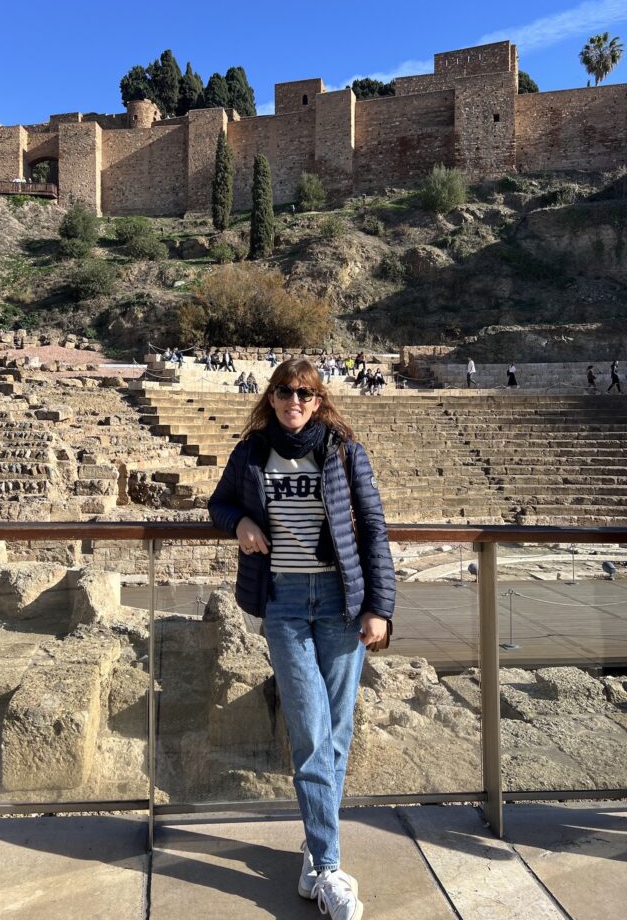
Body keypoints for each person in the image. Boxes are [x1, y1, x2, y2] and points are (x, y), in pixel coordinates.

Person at [209, 359, 395, 919]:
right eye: (286, 392)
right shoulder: (251, 452)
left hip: (340, 604)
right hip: (284, 603)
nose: (295, 400)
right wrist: (239, 523)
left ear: (318, 400)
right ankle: (330, 868)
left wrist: (379, 607)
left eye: (305, 393)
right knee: (311, 730)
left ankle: (315, 856)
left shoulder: (343, 451)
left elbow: (374, 527)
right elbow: (219, 504)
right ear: (271, 398)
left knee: (337, 732)